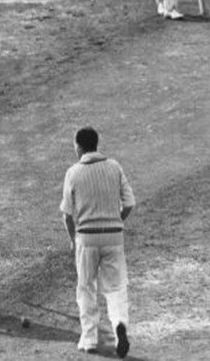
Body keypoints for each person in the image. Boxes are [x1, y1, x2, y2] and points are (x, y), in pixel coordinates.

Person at [60, 127, 136, 358]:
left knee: (86, 287)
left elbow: (67, 214)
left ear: (79, 146)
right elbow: (129, 203)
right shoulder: (114, 167)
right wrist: (116, 221)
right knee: (116, 286)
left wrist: (73, 239)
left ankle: (89, 338)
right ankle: (119, 324)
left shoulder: (73, 172)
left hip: (86, 238)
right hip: (114, 236)